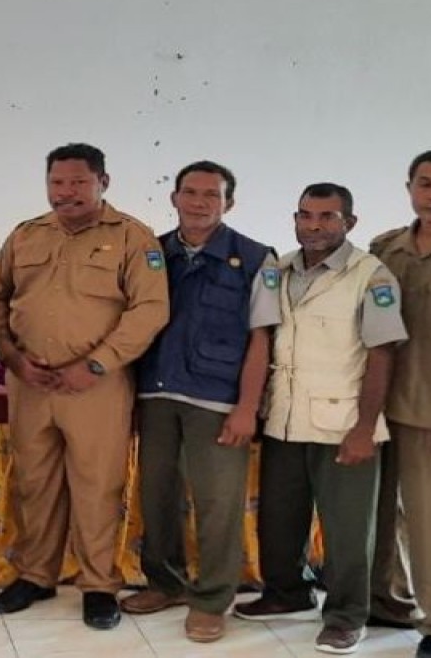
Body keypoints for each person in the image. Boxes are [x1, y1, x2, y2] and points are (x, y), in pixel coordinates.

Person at [0, 143, 169, 630]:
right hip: (30, 382)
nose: (66, 193)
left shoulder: (133, 237)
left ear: (102, 183)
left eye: (78, 183)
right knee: (34, 482)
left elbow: (150, 310)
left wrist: (95, 365)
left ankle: (98, 584)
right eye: (57, 183)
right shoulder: (25, 236)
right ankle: (36, 575)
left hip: (96, 387)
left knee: (96, 485)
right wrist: (11, 358)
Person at [232, 183, 406, 655]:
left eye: (327, 217)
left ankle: (348, 616)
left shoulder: (371, 276)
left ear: (349, 223)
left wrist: (364, 428)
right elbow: (263, 337)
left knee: (348, 530)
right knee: (279, 520)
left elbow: (382, 355)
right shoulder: (279, 268)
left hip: (344, 423)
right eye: (306, 215)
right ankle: (286, 593)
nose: (314, 225)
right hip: (285, 419)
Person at [121, 161, 279, 642]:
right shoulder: (152, 254)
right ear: (173, 198)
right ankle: (165, 583)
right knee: (158, 496)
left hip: (217, 401)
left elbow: (261, 340)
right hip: (156, 392)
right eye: (190, 192)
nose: (199, 202)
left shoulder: (254, 258)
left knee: (217, 504)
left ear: (228, 203)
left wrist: (247, 407)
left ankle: (212, 598)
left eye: (212, 195)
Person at [370, 150, 431, 658]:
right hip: (377, 406)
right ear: (409, 186)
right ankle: (390, 602)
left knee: (430, 521)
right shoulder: (384, 248)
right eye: (426, 183)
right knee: (380, 515)